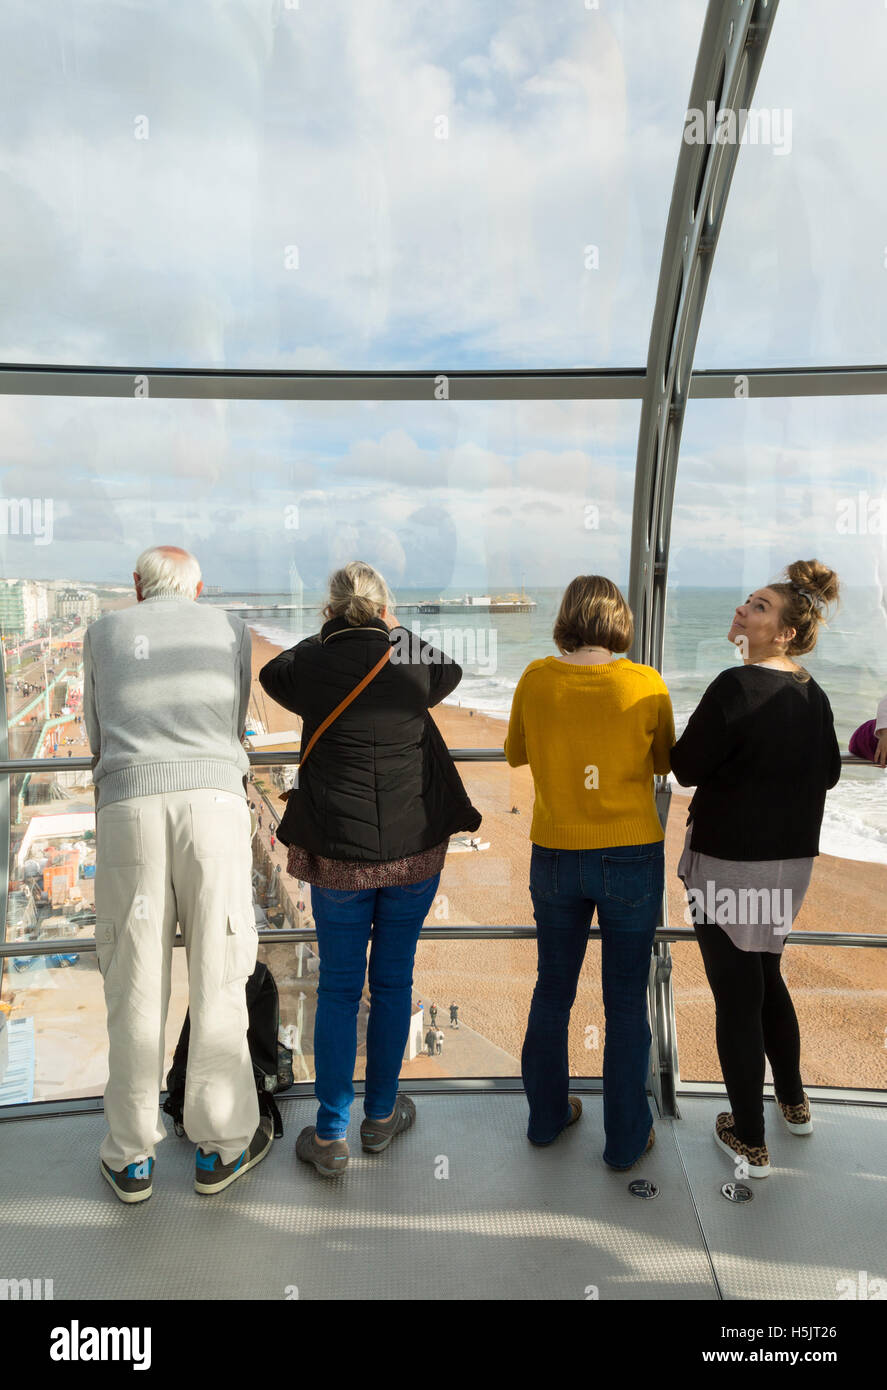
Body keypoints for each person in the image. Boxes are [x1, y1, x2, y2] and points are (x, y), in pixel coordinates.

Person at [259, 560, 480, 1177]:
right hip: (411, 853)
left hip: (339, 859)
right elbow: (451, 670)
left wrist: (327, 631)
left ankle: (330, 1133)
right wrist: (394, 630)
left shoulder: (308, 665)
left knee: (337, 989)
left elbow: (273, 671)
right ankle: (381, 1117)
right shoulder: (409, 662)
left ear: (330, 611)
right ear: (385, 610)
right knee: (392, 984)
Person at [83, 545, 272, 1204]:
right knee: (219, 974)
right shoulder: (231, 630)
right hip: (214, 810)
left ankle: (131, 1158)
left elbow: (96, 734)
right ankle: (219, 1149)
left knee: (134, 981)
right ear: (199, 589)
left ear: (135, 586)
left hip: (130, 806)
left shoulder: (104, 632)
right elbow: (234, 723)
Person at [670, 560, 842, 1179]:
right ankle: (793, 1105)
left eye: (760, 607)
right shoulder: (814, 693)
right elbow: (828, 772)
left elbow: (685, 766)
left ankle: (749, 1139)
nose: (743, 610)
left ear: (785, 633)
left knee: (735, 997)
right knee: (767, 977)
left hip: (728, 866)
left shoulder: (734, 686)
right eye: (747, 601)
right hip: (789, 865)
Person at [506, 574, 674, 1170]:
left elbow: (514, 752)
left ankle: (547, 1119)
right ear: (619, 620)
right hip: (630, 851)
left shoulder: (534, 678)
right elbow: (662, 762)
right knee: (625, 1002)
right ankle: (626, 1140)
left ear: (565, 616)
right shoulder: (645, 683)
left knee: (553, 989)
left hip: (555, 850)